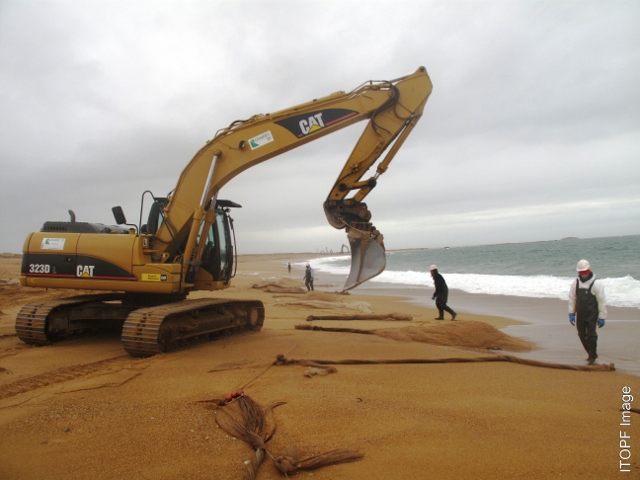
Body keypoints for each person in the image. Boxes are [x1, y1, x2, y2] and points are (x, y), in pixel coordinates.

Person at [568, 259, 607, 365]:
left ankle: (593, 355)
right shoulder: (575, 283)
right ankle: (590, 353)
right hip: (580, 313)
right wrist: (571, 313)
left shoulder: (596, 283)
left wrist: (602, 317)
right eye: (581, 273)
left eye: (585, 272)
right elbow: (572, 298)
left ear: (589, 270)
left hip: (592, 314)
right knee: (581, 334)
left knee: (591, 335)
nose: (583, 275)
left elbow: (601, 301)